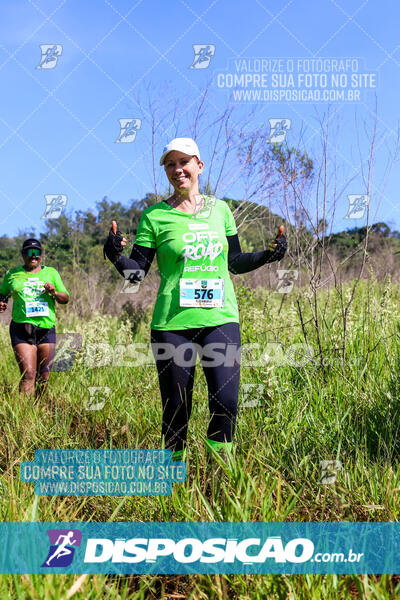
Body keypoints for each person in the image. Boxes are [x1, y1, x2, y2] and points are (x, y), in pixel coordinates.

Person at [103, 137, 287, 463]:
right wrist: (116, 256)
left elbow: (235, 261)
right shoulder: (154, 217)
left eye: (184, 162)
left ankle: (218, 476)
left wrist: (267, 256)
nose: (178, 169)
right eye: (170, 164)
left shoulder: (221, 211)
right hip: (173, 324)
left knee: (226, 402)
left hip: (220, 318)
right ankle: (175, 484)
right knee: (177, 408)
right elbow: (137, 274)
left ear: (199, 166)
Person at [0, 238, 70, 397]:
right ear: (23, 254)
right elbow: (2, 294)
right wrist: (2, 302)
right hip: (21, 329)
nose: (33, 256)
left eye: (36, 253)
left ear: (41, 255)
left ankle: (40, 411)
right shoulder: (12, 274)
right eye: (29, 253)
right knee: (28, 375)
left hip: (46, 329)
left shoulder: (51, 273)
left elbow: (65, 299)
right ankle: (24, 416)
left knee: (43, 377)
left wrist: (54, 292)